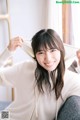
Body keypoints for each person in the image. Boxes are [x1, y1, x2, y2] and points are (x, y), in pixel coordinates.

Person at [0, 29, 80, 120]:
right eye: (41, 52)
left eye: (52, 50)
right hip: (7, 116)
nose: (48, 59)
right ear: (35, 55)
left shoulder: (71, 80)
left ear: (61, 51)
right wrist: (8, 51)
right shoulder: (25, 68)